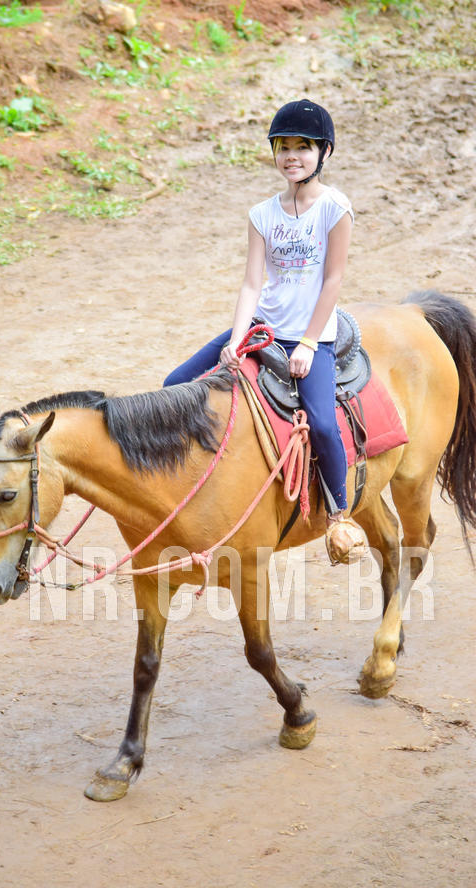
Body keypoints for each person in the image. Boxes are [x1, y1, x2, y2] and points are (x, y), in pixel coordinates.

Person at [164, 98, 365, 557]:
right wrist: (236, 340)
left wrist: (311, 343)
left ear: (324, 152)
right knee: (175, 383)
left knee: (322, 423)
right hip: (264, 327)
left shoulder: (335, 208)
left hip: (311, 335)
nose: (291, 156)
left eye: (303, 147)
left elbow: (333, 279)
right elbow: (252, 282)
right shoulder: (262, 214)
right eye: (283, 147)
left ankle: (339, 514)